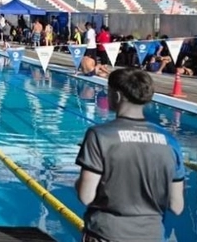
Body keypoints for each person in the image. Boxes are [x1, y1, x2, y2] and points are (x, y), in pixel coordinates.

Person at [75, 68, 185, 242]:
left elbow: (85, 196)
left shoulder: (100, 135)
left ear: (117, 96)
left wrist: (79, 181)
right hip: (153, 236)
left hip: (106, 234)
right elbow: (177, 206)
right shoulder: (170, 141)